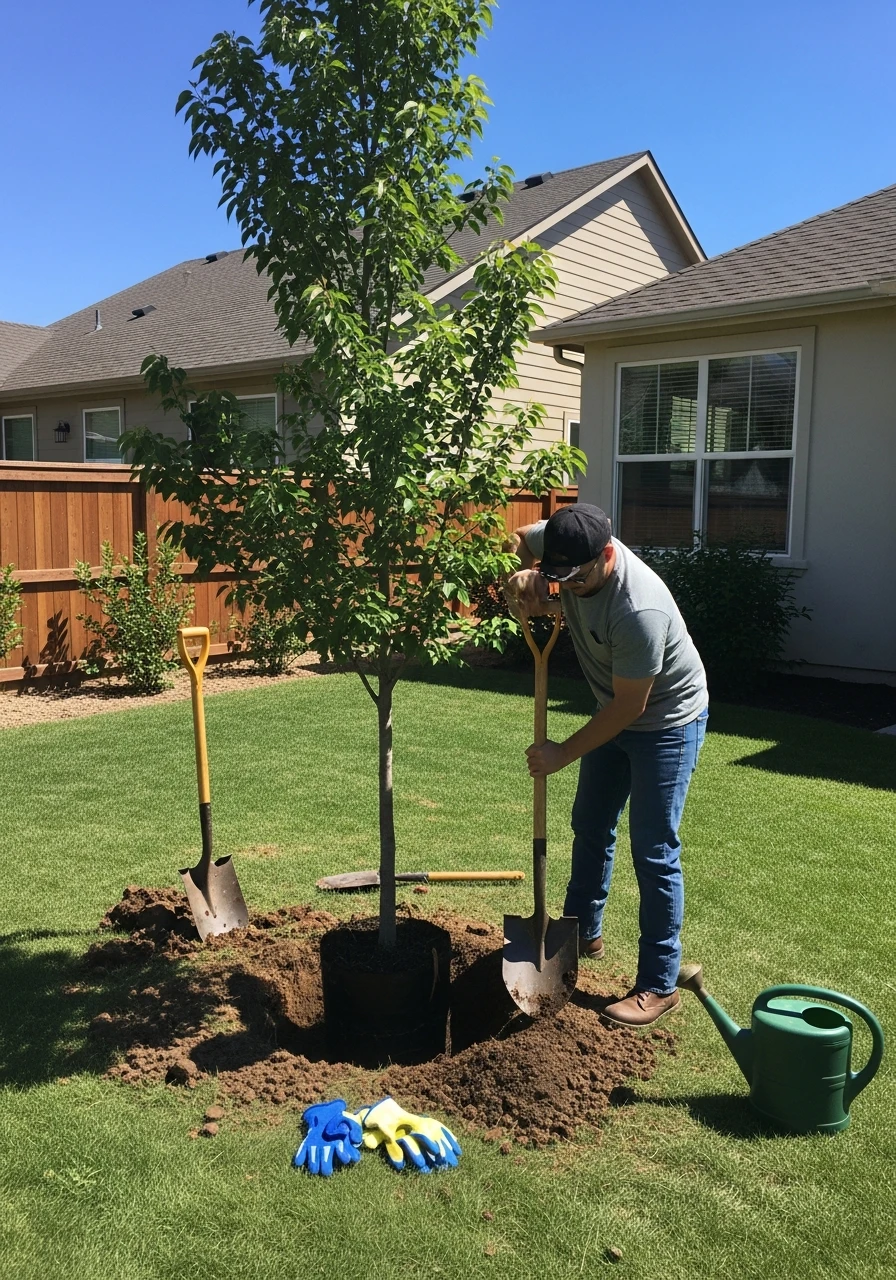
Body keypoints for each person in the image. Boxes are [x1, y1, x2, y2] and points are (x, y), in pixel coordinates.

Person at [504, 503, 708, 1027]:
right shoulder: (562, 542)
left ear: (607, 555)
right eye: (558, 575)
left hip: (664, 721)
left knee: (654, 849)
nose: (566, 586)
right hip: (615, 710)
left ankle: (660, 985)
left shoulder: (639, 611)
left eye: (576, 576)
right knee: (590, 824)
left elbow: (628, 708)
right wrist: (522, 578)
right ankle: (581, 930)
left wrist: (561, 753)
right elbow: (519, 539)